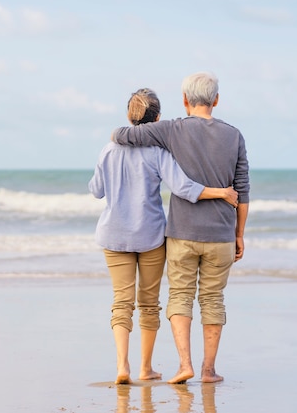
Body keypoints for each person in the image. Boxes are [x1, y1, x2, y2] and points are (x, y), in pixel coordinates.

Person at [89, 88, 239, 385]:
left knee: (121, 302)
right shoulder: (158, 153)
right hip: (151, 235)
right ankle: (145, 368)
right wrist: (221, 191)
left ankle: (123, 366)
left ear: (129, 117)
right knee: (148, 303)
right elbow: (184, 188)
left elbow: (96, 190)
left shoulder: (108, 149)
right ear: (157, 118)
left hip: (114, 234)